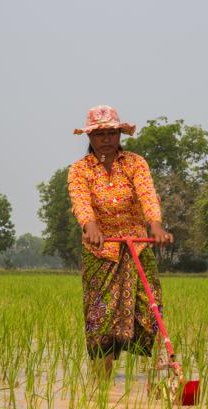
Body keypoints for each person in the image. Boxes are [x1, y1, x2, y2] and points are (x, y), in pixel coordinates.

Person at [68, 105, 174, 376]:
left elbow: (147, 195)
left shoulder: (135, 163)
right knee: (101, 316)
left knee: (150, 308)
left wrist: (156, 226)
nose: (106, 138)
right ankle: (101, 383)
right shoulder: (80, 170)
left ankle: (159, 372)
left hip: (136, 244)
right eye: (100, 133)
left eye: (111, 133)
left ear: (120, 134)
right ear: (90, 137)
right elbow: (80, 201)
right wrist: (90, 227)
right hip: (100, 249)